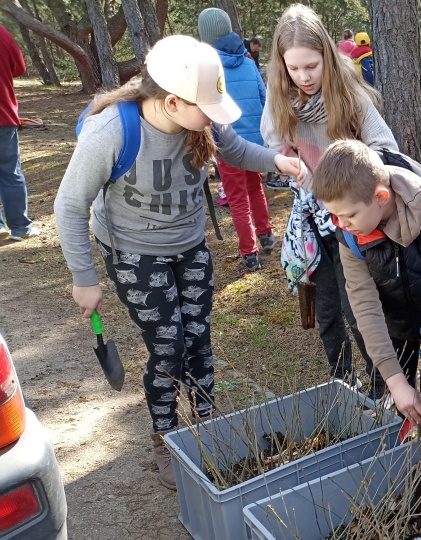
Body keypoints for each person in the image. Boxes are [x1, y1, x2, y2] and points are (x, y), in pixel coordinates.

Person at [53, 36, 304, 490]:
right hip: (133, 253)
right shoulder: (113, 132)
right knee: (169, 347)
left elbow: (236, 150)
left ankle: (210, 428)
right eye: (207, 107)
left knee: (199, 338)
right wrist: (83, 278)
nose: (213, 117)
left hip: (189, 245)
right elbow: (69, 206)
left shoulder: (199, 119)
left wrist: (277, 162)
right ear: (172, 102)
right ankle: (166, 437)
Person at [261, 3, 398, 390]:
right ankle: (342, 384)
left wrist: (350, 174)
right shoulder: (279, 98)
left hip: (352, 220)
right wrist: (285, 157)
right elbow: (273, 145)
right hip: (312, 219)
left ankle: (379, 388)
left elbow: (386, 151)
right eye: (294, 68)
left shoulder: (350, 95)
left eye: (312, 66)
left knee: (360, 310)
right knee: (327, 311)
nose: (303, 77)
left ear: (326, 56)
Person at [311, 140, 421, 426]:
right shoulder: (351, 235)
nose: (341, 224)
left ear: (380, 197)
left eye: (349, 215)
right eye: (335, 215)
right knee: (392, 410)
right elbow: (364, 306)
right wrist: (396, 380)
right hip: (394, 329)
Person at [198, 8, 276, 271]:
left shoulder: (209, 67)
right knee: (255, 189)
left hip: (227, 144)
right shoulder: (247, 61)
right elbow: (264, 99)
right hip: (254, 142)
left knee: (238, 198)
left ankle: (249, 253)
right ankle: (266, 234)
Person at [0, 24, 38, 242]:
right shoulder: (3, 33)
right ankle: (20, 228)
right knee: (10, 173)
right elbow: (20, 68)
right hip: (3, 115)